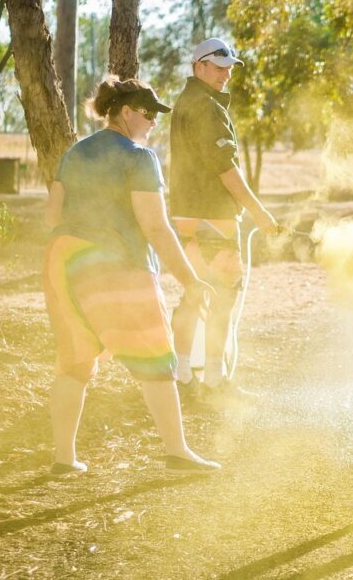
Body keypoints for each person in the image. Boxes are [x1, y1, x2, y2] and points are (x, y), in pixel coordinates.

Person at [42, 77, 220, 475]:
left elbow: (52, 215)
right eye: (148, 113)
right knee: (156, 358)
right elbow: (155, 227)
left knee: (74, 362)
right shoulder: (139, 158)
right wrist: (191, 281)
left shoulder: (75, 153)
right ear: (125, 112)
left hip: (64, 263)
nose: (154, 121)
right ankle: (178, 452)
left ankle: (64, 459)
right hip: (117, 265)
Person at [168, 37, 280, 398]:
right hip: (213, 217)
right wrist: (259, 213)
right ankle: (214, 380)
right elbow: (226, 169)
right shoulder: (206, 106)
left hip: (186, 215)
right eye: (219, 68)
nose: (226, 74)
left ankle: (183, 376)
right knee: (223, 295)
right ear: (199, 66)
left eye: (229, 68)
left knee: (193, 292)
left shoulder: (186, 102)